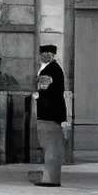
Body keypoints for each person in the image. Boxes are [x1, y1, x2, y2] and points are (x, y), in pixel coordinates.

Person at [31, 43, 67, 187]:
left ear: (52, 56)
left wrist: (36, 96)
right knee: (53, 147)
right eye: (43, 53)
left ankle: (50, 179)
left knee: (50, 147)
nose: (44, 56)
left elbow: (44, 90)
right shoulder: (56, 68)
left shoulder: (49, 70)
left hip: (49, 114)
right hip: (55, 114)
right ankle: (51, 178)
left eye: (47, 54)